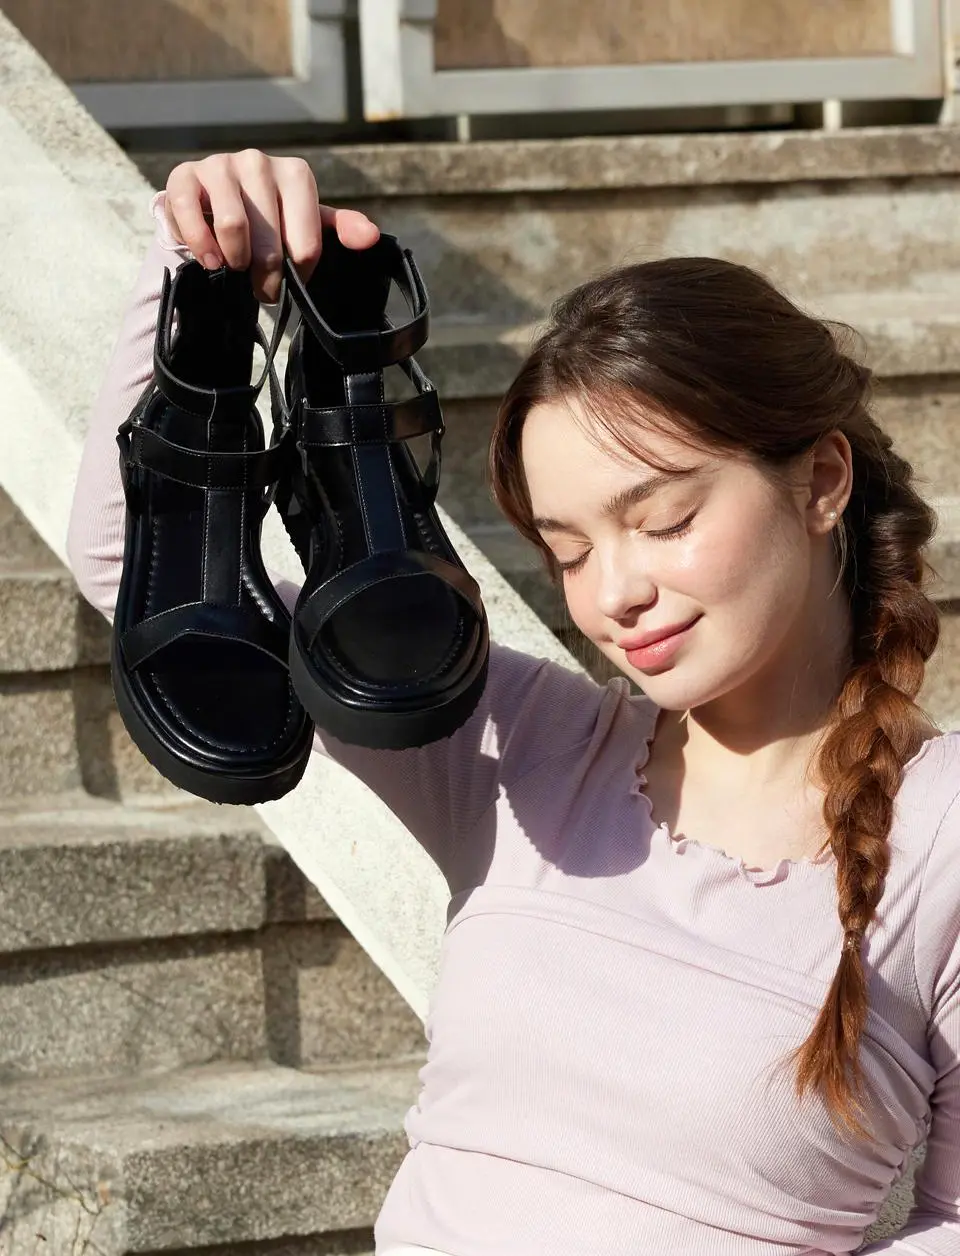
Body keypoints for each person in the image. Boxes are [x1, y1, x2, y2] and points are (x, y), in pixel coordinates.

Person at [67, 151, 960, 1256]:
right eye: (569, 551)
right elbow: (145, 577)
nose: (617, 594)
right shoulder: (529, 748)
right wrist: (197, 268)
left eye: (666, 520)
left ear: (822, 480)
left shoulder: (942, 838)